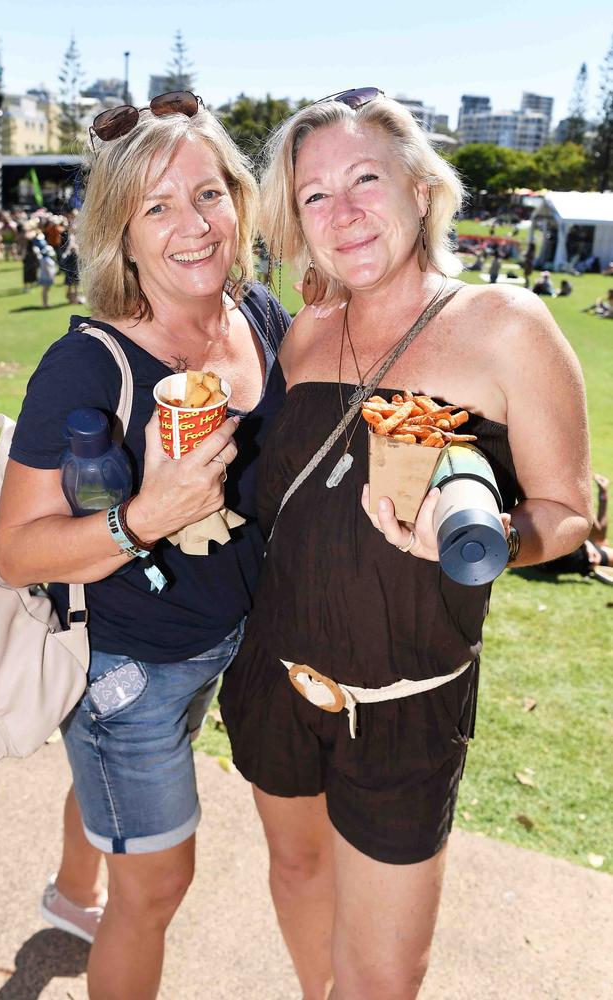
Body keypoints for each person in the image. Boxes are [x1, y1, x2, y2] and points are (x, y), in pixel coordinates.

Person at [219, 89, 592, 1000]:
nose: (341, 212)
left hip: (405, 702)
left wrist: (495, 535)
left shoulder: (506, 324)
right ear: (295, 221)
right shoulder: (302, 332)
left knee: (384, 977)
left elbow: (570, 511)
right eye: (313, 195)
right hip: (273, 681)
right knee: (299, 880)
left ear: (421, 190)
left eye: (365, 180)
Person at [0, 94, 288, 1000]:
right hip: (128, 667)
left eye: (208, 194)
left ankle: (72, 889)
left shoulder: (260, 317)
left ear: (241, 200)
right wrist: (143, 517)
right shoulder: (85, 366)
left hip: (223, 646)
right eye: (156, 207)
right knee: (156, 888)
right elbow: (18, 552)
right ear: (119, 232)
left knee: (115, 799)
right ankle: (94, 895)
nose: (193, 226)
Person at [538, 475, 612, 582]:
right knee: (600, 543)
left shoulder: (548, 493)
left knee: (599, 541)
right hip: (559, 555)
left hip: (541, 554)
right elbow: (599, 535)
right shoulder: (568, 497)